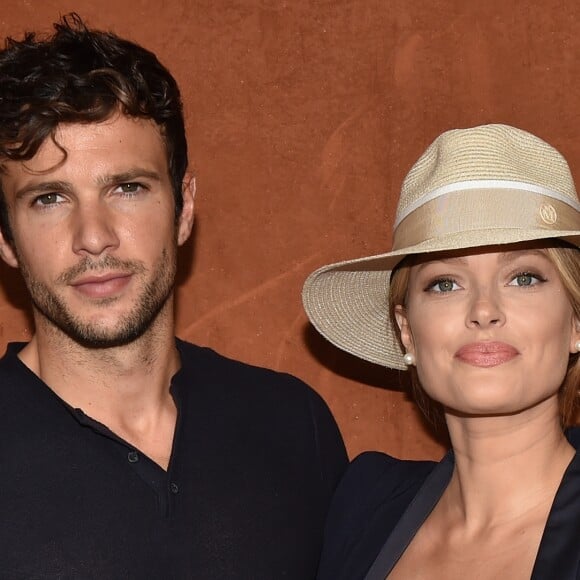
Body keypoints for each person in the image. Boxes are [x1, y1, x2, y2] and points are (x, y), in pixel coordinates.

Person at [0, 14, 347, 578]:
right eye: (49, 199)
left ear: (184, 208)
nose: (94, 237)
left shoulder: (292, 425)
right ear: (6, 236)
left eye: (128, 188)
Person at [302, 123, 580, 579]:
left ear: (575, 322)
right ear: (407, 332)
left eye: (524, 277)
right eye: (445, 283)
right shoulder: (363, 506)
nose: (484, 310)